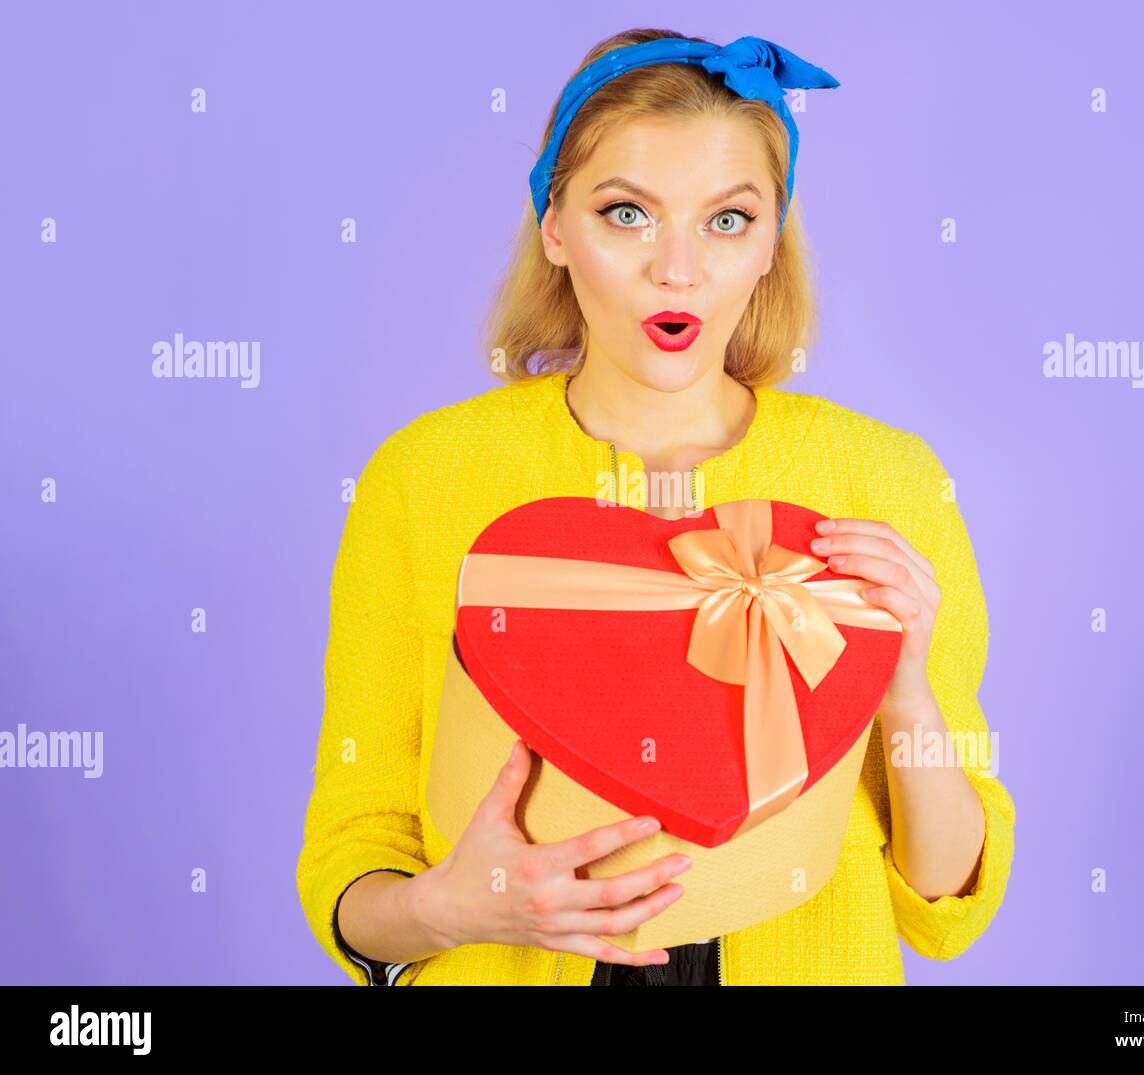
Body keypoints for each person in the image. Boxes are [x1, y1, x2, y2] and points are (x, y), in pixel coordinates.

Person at [296, 27, 1015, 987]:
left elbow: (946, 900)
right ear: (555, 228)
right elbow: (355, 851)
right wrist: (450, 907)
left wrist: (906, 686)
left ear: (770, 244)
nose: (678, 269)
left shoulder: (884, 479)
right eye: (627, 213)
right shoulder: (423, 477)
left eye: (728, 220)